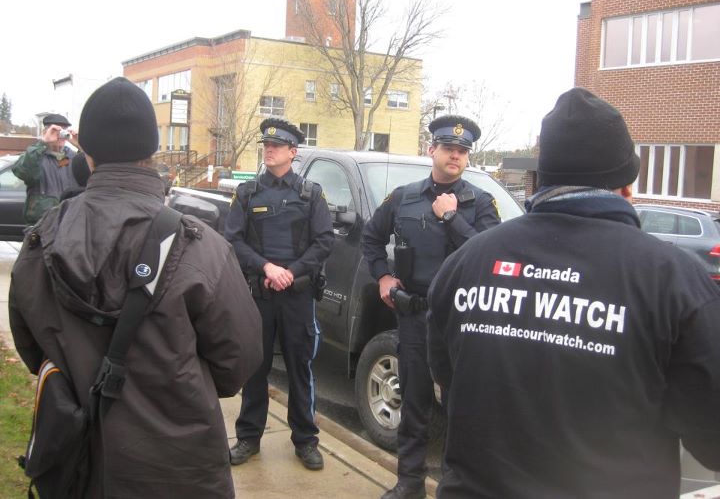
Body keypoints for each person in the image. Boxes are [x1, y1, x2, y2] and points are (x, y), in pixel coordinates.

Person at [427, 88, 720, 499]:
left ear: (541, 177)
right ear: (627, 186)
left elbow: (448, 383)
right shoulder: (673, 281)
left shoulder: (466, 263)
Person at [9, 77, 263, 498]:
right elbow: (239, 360)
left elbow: (34, 351)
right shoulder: (202, 247)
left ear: (87, 154)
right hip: (179, 471)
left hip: (77, 465)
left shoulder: (41, 240)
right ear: (152, 153)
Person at [361, 114, 501, 499]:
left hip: (461, 319)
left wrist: (452, 216)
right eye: (448, 149)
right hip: (415, 314)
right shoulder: (403, 197)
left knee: (461, 406)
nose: (455, 156)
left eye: (462, 151)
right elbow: (371, 238)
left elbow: (486, 257)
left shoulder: (481, 202)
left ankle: (457, 485)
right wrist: (383, 277)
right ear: (432, 150)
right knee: (415, 400)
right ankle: (409, 482)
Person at [224, 117, 334, 471]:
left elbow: (324, 242)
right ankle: (248, 438)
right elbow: (233, 241)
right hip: (259, 293)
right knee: (254, 368)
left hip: (297, 297)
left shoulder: (311, 194)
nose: (269, 150)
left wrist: (291, 272)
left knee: (299, 368)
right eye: (266, 146)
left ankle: (305, 441)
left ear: (292, 152)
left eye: (276, 146)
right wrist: (266, 268)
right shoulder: (246, 194)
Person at [13, 113, 78, 224]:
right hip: (42, 224)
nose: (61, 135)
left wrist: (81, 147)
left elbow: (93, 176)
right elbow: (24, 173)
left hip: (70, 222)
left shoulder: (74, 158)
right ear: (46, 132)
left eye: (64, 130)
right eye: (56, 131)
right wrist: (43, 142)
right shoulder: (36, 155)